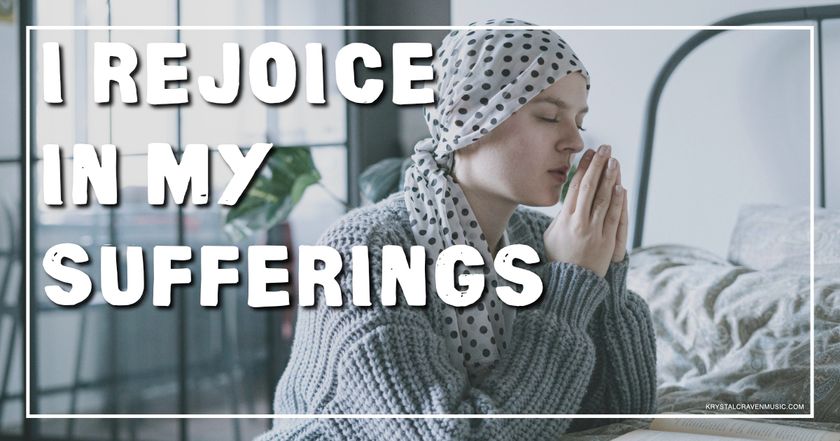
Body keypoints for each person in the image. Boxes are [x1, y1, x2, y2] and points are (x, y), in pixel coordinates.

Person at [256, 18, 657, 440]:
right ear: (468, 119)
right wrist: (569, 288)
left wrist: (605, 274)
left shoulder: (544, 244)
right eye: (549, 116)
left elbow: (620, 416)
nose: (575, 141)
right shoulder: (365, 253)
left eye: (579, 120)